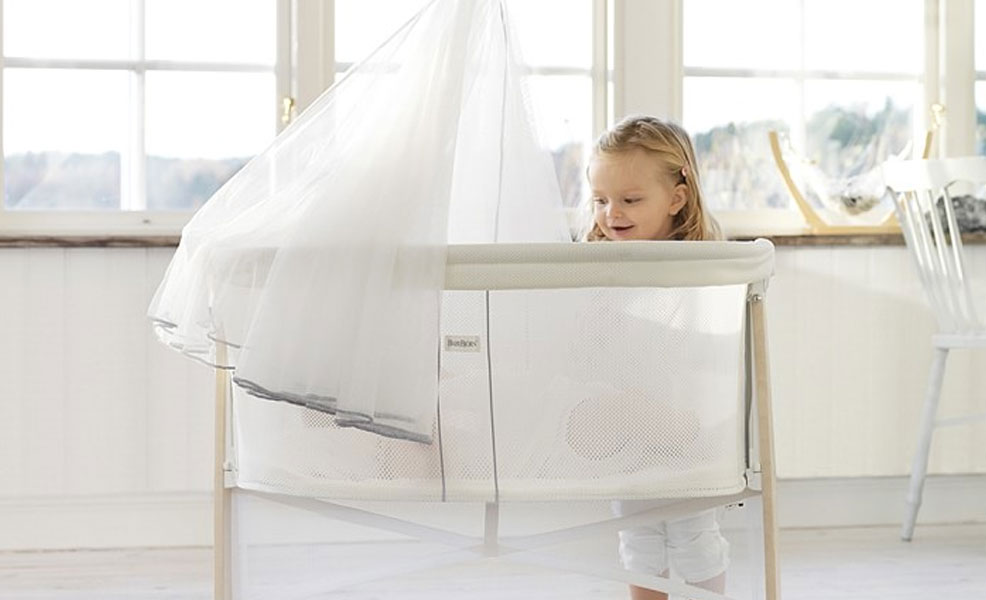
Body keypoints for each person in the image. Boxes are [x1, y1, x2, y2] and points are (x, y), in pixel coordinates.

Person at [584, 114, 727, 600]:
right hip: (627, 424)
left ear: (676, 198)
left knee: (692, 533)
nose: (611, 213)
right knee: (638, 531)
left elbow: (713, 354)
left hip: (688, 428)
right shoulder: (596, 268)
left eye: (629, 200)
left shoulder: (705, 266)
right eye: (600, 200)